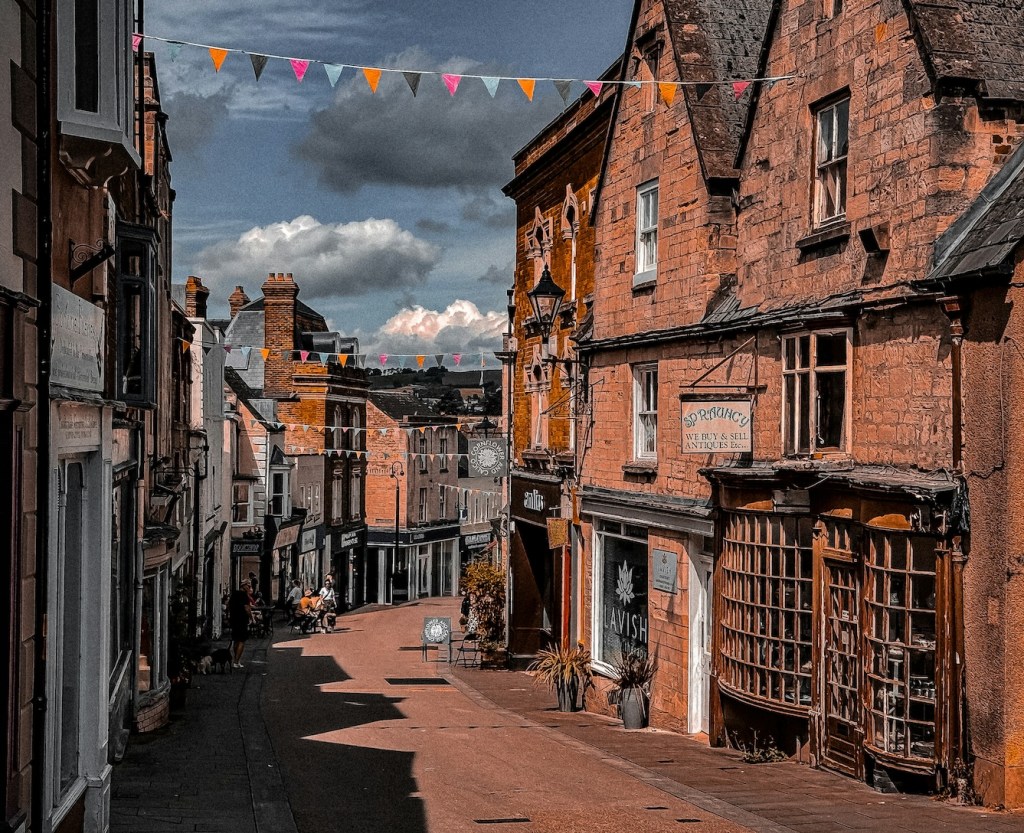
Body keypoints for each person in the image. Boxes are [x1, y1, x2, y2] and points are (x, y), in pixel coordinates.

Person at [229, 579, 253, 668]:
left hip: (234, 619)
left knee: (236, 639)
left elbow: (229, 605)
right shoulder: (244, 596)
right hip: (242, 619)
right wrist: (252, 618)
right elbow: (247, 608)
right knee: (242, 640)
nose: (250, 588)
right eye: (249, 586)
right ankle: (236, 661)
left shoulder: (234, 594)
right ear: (244, 586)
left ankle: (236, 659)